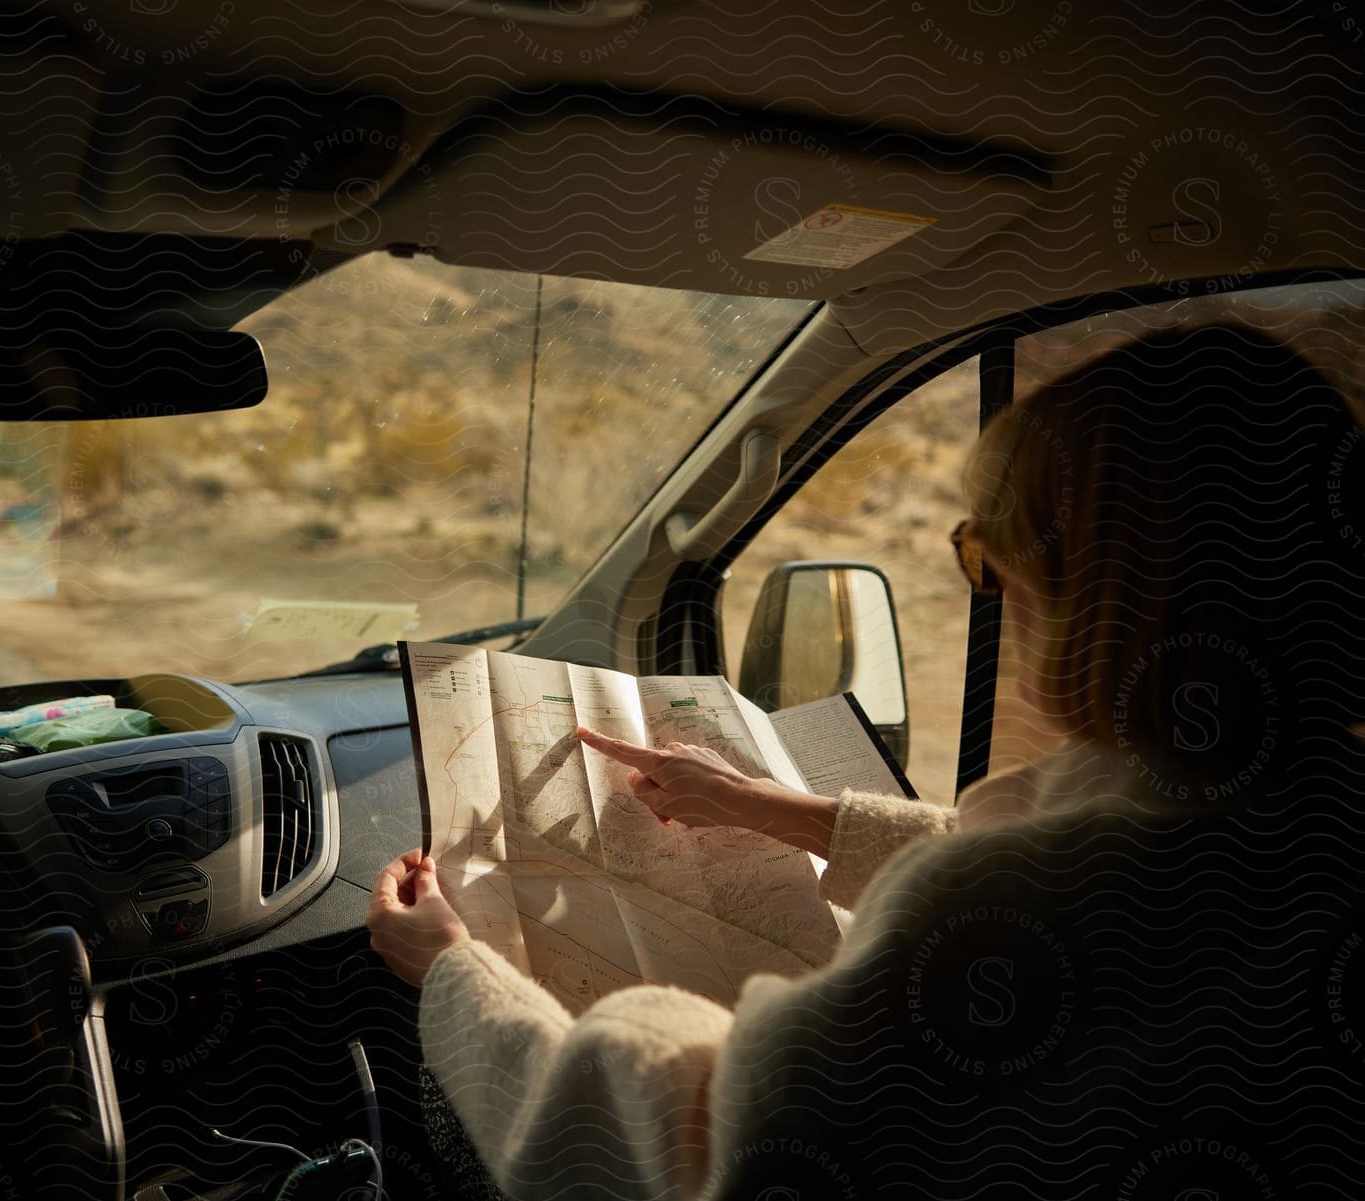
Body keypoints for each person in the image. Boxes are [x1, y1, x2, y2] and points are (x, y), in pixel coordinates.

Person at [367, 323, 1365, 1200]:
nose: (989, 589)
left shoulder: (1001, 911)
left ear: (1097, 591)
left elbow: (697, 1161)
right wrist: (772, 807)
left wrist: (454, 969)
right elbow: (1068, 855)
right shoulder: (1302, 822)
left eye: (991, 554)